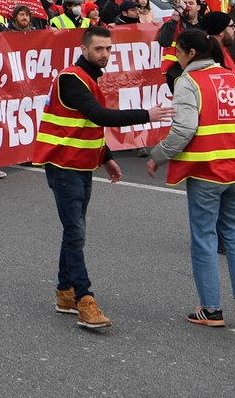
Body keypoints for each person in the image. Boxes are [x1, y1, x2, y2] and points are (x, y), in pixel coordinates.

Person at [33, 26, 174, 329]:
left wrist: (106, 157)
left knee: (74, 230)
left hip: (81, 164)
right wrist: (146, 115)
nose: (105, 54)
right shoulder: (72, 78)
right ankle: (85, 299)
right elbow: (99, 116)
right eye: (99, 49)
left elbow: (85, 125)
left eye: (109, 49)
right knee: (75, 232)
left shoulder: (88, 78)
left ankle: (65, 292)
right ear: (84, 50)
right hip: (63, 165)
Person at [144, 29, 235, 326]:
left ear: (191, 53)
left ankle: (211, 309)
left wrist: (157, 156)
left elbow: (183, 130)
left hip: (207, 172)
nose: (175, 57)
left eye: (178, 52)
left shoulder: (187, 82)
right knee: (234, 236)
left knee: (204, 238)